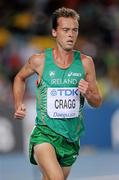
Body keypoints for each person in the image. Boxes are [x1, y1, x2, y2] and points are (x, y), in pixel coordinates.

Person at [13, 7, 102, 180]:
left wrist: (88, 93)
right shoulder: (39, 61)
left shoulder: (85, 63)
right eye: (65, 30)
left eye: (74, 30)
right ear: (54, 32)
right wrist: (18, 103)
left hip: (71, 139)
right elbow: (19, 77)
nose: (71, 35)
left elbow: (97, 102)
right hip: (44, 134)